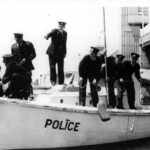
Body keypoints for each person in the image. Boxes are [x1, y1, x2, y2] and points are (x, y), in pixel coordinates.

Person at [11, 33, 36, 97]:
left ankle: (31, 94)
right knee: (18, 81)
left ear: (22, 38)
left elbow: (33, 54)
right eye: (16, 39)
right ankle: (20, 94)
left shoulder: (28, 44)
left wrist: (26, 59)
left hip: (27, 66)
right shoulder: (13, 46)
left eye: (19, 39)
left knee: (28, 80)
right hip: (18, 67)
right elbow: (12, 57)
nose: (17, 40)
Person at [45, 21, 67, 86]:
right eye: (60, 26)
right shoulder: (55, 31)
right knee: (52, 67)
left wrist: (65, 52)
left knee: (61, 68)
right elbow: (49, 34)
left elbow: (64, 44)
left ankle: (61, 83)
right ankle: (53, 81)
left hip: (60, 54)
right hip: (52, 53)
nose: (61, 27)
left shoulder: (65, 33)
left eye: (62, 26)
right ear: (58, 26)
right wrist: (46, 36)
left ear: (64, 27)